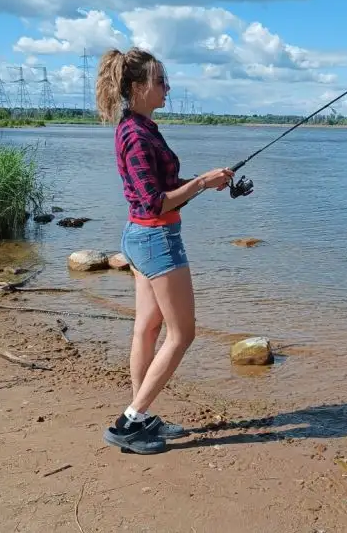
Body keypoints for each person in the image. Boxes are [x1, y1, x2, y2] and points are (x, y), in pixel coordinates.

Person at [95, 46, 234, 454]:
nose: (167, 88)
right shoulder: (136, 135)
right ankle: (130, 422)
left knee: (149, 327)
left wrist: (203, 183)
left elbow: (159, 194)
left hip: (142, 236)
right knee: (182, 333)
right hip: (155, 238)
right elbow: (156, 201)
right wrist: (203, 184)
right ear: (137, 87)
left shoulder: (140, 126)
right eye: (160, 82)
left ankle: (142, 415)